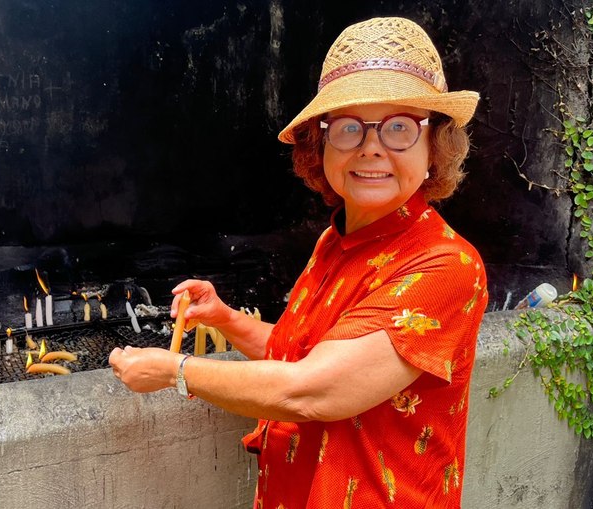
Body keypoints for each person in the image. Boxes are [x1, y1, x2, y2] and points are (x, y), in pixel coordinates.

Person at [109, 16, 487, 508]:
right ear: (322, 145)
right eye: (349, 127)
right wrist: (224, 319)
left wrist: (175, 370)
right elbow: (302, 357)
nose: (371, 146)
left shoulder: (446, 265)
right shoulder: (337, 240)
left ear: (434, 146)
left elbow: (315, 389)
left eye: (399, 127)